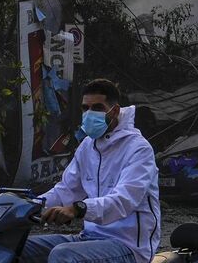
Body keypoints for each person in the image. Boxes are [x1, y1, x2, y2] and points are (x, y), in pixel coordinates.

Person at [25, 78, 160, 263]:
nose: (89, 114)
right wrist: (28, 205)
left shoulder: (138, 149)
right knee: (18, 247)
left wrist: (78, 209)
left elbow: (123, 200)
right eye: (85, 108)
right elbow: (66, 190)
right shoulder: (87, 146)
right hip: (89, 238)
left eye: (97, 108)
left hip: (128, 246)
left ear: (115, 111)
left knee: (63, 255)